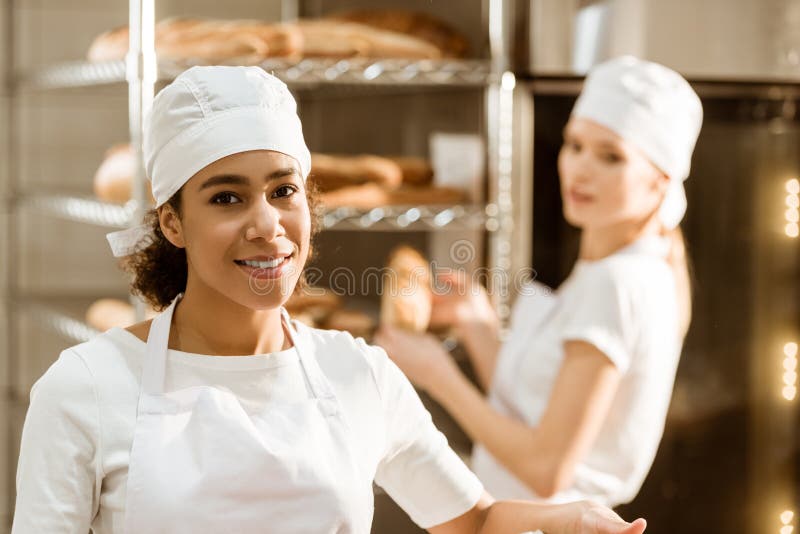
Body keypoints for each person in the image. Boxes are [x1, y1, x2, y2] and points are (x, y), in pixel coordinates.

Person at [12, 65, 647, 534]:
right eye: (226, 197)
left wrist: (567, 520)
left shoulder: (358, 373)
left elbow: (474, 521)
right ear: (172, 223)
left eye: (283, 190)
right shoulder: (86, 389)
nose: (267, 224)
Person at [375, 56, 702, 508]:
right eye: (575, 145)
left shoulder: (618, 283)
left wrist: (438, 376)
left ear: (659, 182)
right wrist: (479, 329)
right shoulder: (627, 270)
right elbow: (536, 412)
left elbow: (546, 469)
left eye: (611, 156)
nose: (579, 169)